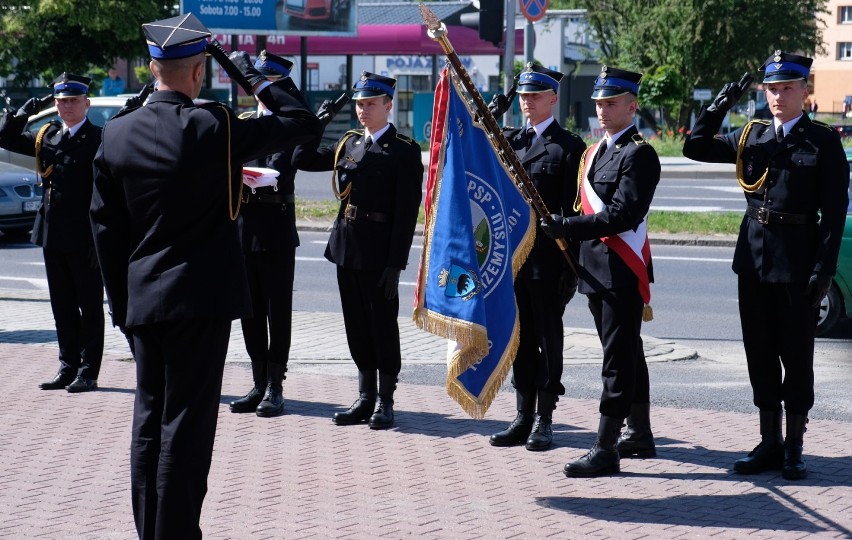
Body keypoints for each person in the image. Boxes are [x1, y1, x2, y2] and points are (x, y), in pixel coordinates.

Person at [89, 13, 321, 538]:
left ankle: (150, 530)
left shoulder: (116, 134)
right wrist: (248, 74)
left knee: (149, 422)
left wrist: (122, 303)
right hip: (201, 298)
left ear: (151, 68)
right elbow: (302, 122)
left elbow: (104, 229)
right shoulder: (212, 125)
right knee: (187, 429)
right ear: (198, 73)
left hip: (143, 301)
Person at [683, 51, 849, 480]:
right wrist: (720, 104)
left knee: (796, 356)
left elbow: (833, 213)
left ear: (804, 91)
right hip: (753, 262)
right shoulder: (751, 136)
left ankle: (794, 446)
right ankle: (768, 443)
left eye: (787, 88)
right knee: (759, 355)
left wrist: (824, 269)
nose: (778, 96)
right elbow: (695, 145)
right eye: (771, 89)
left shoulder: (823, 142)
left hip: (797, 264)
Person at [541, 67, 661, 477]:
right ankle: (640, 433)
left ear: (632, 106)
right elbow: (582, 206)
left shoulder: (639, 154)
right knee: (629, 353)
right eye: (599, 103)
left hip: (620, 270)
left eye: (612, 103)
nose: (603, 110)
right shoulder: (596, 152)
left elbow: (623, 214)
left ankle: (607, 446)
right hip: (594, 270)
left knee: (616, 359)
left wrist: (566, 227)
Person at [293, 71, 423, 430]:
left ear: (387, 105)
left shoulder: (404, 151)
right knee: (355, 325)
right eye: (359, 104)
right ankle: (364, 396)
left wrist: (396, 264)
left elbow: (407, 212)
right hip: (347, 248)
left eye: (370, 104)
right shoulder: (350, 144)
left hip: (380, 252)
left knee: (382, 326)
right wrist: (319, 123)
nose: (363, 110)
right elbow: (301, 158)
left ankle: (385, 399)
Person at [486, 63, 585, 451]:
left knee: (547, 339)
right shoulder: (509, 139)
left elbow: (576, 212)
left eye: (536, 95)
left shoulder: (568, 147)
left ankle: (545, 417)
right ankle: (522, 414)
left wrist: (569, 268)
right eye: (524, 95)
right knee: (520, 340)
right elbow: (474, 152)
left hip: (547, 264)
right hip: (512, 261)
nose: (528, 101)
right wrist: (493, 111)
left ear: (553, 99)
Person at [0, 73, 105, 393]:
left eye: (73, 100)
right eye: (61, 101)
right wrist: (21, 114)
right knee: (61, 304)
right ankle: (67, 365)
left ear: (86, 103)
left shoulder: (99, 137)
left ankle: (88, 371)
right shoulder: (47, 134)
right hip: (51, 232)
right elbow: (6, 138)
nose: (67, 106)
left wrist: (100, 235)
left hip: (85, 236)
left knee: (89, 304)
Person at [229, 51, 300, 418]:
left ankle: (276, 385)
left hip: (276, 227)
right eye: (257, 82)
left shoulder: (292, 127)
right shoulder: (244, 123)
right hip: (245, 229)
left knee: (277, 312)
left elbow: (300, 158)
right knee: (250, 311)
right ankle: (258, 382)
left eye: (268, 83)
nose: (260, 89)